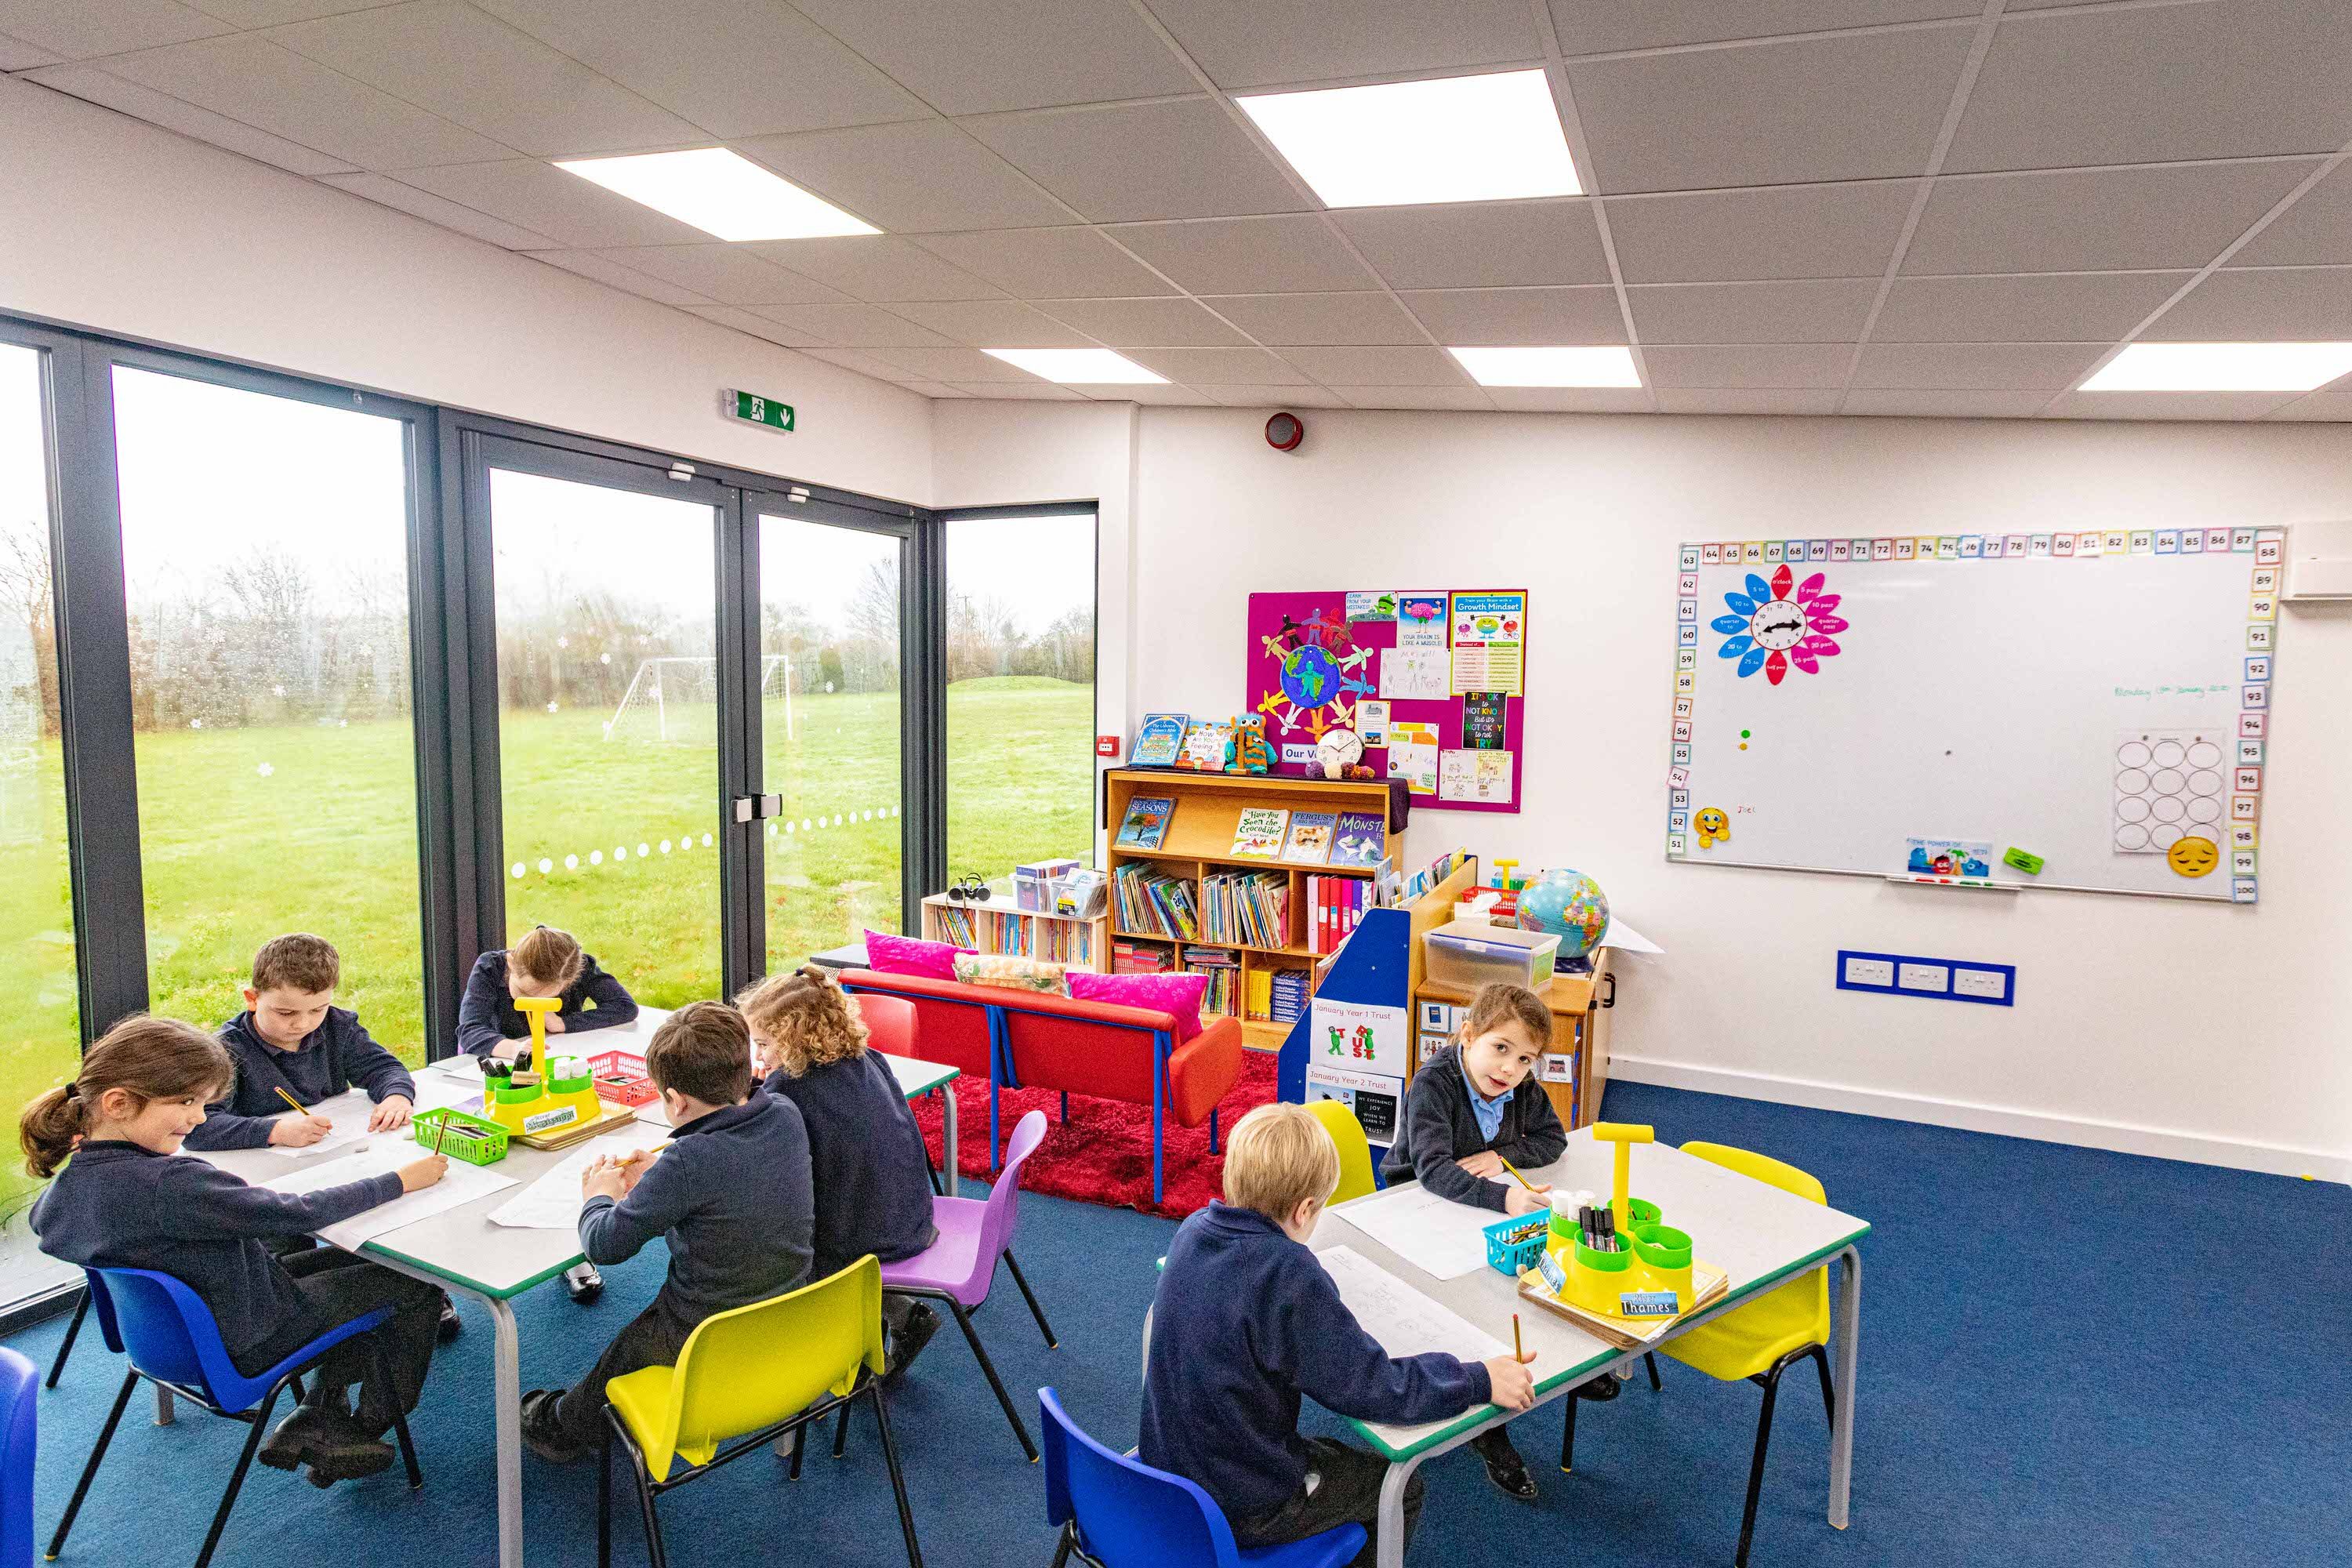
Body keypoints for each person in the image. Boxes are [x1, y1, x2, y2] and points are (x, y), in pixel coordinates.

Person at [24, 1016, 448, 1487]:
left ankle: (317, 1411)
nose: (199, 1118)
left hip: (188, 1326)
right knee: (418, 1286)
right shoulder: (172, 1183)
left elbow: (44, 1224)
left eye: (204, 1103)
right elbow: (299, 1213)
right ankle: (352, 1430)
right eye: (187, 1102)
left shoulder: (73, 1181)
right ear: (118, 1103)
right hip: (249, 1333)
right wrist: (399, 1181)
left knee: (364, 1264)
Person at [1142, 1104, 1535, 1566]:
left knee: (1327, 1452)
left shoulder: (1193, 1230)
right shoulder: (1289, 1275)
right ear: (1306, 1209)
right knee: (1400, 1488)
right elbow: (1378, 1391)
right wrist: (1479, 1379)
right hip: (1238, 1508)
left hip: (1161, 1478)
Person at [518, 1002, 815, 1464]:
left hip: (709, 1333)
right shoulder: (784, 1113)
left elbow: (604, 1245)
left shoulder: (690, 1161)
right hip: (791, 1312)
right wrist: (660, 1179)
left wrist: (598, 1195)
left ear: (676, 1101)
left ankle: (561, 1424)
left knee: (626, 1352)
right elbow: (731, 1195)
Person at [1377, 981, 1575, 1499]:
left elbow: (1553, 1138)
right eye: (1500, 1048)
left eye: (1525, 1059)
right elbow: (1432, 1170)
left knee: (1512, 1276)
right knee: (1468, 1305)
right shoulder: (1434, 1082)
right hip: (1412, 1205)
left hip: (1470, 1210)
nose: (1509, 1068)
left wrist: (1502, 1155)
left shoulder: (1518, 1089)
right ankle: (1490, 1430)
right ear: (1468, 1037)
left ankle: (1570, 1362)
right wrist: (1504, 1196)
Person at [735, 965, 941, 1382]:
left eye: (763, 1044)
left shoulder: (789, 1092)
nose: (760, 1057)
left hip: (859, 1242)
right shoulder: (871, 1060)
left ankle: (827, 1349)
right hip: (911, 1214)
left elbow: (757, 1158)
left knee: (762, 1236)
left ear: (793, 1040)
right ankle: (899, 1312)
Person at [456, 925, 637, 1300]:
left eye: (549, 999)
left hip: (555, 1078)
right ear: (511, 965)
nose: (534, 1005)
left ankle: (568, 1246)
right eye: (524, 994)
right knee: (510, 1158)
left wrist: (565, 1023)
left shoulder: (580, 966)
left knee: (567, 1153)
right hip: (498, 1077)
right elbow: (470, 1030)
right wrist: (516, 1050)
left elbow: (624, 1007)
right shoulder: (490, 969)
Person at [184, 934, 417, 1151]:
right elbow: (196, 1127)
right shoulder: (226, 1050)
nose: (303, 1024)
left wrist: (396, 1097)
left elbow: (384, 1069)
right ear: (252, 999)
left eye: (318, 1009)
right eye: (286, 1013)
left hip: (333, 1152)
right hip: (261, 1168)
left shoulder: (337, 1026)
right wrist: (275, 1131)